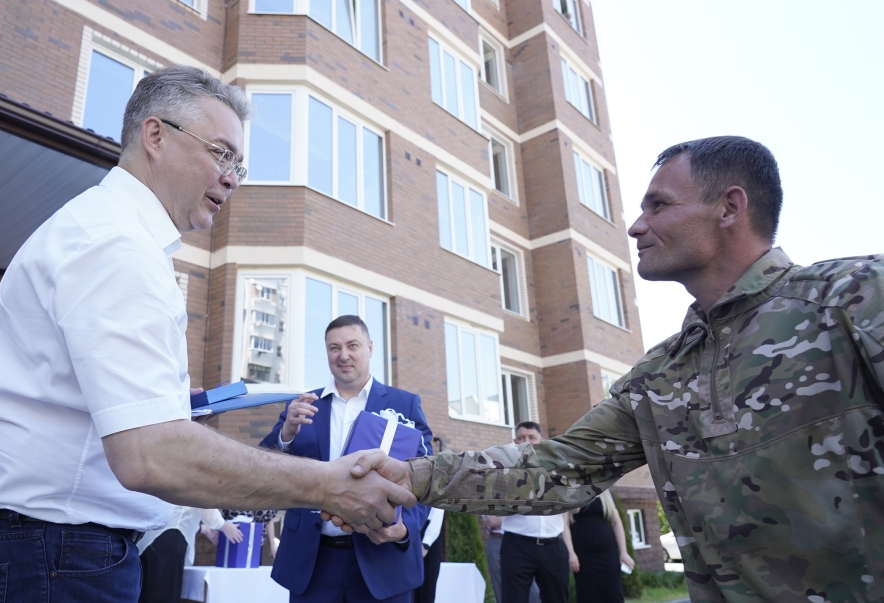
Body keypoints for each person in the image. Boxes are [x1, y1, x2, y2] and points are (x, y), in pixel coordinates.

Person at [342, 136, 884, 601]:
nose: (635, 226)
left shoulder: (852, 300)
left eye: (659, 205)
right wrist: (412, 475)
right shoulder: (661, 374)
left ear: (729, 207)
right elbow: (554, 469)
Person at [0, 66, 414, 603]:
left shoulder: (108, 234)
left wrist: (166, 408)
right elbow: (150, 453)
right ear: (156, 135)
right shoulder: (116, 245)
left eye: (239, 164)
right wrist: (328, 484)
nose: (232, 178)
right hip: (56, 560)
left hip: (53, 553)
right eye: (221, 153)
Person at [259, 315, 433, 603]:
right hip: (312, 564)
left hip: (383, 562)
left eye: (353, 345)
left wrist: (405, 528)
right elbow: (263, 465)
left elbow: (427, 479)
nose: (343, 355)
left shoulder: (404, 404)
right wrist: (286, 432)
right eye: (334, 348)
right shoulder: (303, 405)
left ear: (370, 348)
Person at [499, 423, 573, 603]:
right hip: (517, 545)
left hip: (553, 546)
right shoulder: (505, 469)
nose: (527, 441)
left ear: (541, 440)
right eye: (521, 438)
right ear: (515, 441)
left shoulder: (558, 468)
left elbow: (573, 505)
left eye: (532, 437)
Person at [137, 507, 242, 603]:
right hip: (170, 539)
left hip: (149, 540)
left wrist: (203, 529)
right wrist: (224, 526)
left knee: (146, 594)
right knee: (163, 596)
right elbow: (205, 504)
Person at [568, 490, 635, 603]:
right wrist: (571, 553)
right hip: (583, 555)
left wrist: (624, 552)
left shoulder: (606, 492)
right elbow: (565, 524)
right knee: (588, 594)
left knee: (613, 592)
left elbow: (616, 522)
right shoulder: (572, 490)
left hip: (607, 552)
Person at [414, 506, 445, 603]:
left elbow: (438, 512)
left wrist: (426, 544)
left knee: (426, 591)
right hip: (414, 531)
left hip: (429, 537)